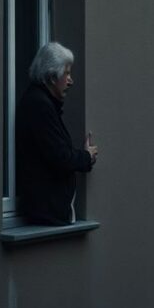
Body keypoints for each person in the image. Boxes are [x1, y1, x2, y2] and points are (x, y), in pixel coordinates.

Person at [16, 42, 99, 225]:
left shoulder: (41, 103)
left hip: (46, 215)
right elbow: (60, 156)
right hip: (45, 215)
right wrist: (86, 156)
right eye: (66, 73)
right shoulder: (40, 106)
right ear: (52, 77)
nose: (71, 81)